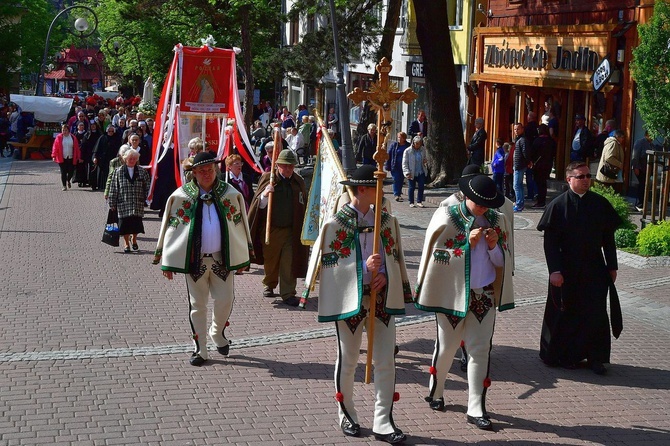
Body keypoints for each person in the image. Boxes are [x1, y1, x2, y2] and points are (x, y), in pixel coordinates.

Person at [303, 165, 411, 444]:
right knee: (349, 360)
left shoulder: (387, 222)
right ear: (362, 189)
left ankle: (384, 421)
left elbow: (396, 258)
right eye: (378, 185)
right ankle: (347, 414)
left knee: (386, 360)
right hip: (350, 303)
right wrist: (364, 268)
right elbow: (329, 266)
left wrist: (385, 275)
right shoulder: (336, 225)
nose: (383, 191)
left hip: (381, 301)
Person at [415, 175, 514, 431]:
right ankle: (436, 391)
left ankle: (476, 406)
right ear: (467, 196)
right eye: (479, 202)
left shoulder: (498, 220)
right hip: (452, 295)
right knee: (446, 347)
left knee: (480, 351)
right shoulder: (446, 217)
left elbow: (504, 263)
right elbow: (436, 258)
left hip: (484, 296)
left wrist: (494, 246)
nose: (482, 207)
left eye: (487, 203)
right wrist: (466, 246)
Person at [153, 151, 253, 367]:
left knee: (225, 300)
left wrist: (243, 257)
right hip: (194, 261)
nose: (206, 174)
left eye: (210, 169)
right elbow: (172, 230)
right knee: (197, 305)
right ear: (194, 173)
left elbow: (240, 226)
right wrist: (167, 260)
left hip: (221, 260)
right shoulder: (181, 197)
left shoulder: (229, 193)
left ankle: (217, 332)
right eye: (201, 171)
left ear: (216, 170)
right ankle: (200, 349)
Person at [537, 161, 622, 375]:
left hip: (594, 268)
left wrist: (612, 266)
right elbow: (550, 244)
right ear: (569, 179)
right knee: (566, 312)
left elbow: (608, 239)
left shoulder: (600, 204)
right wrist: (554, 271)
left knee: (595, 313)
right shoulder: (557, 206)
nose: (586, 180)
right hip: (566, 269)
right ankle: (564, 355)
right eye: (581, 176)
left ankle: (596, 358)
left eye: (587, 176)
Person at [247, 149, 310, 306]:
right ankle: (269, 283)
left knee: (289, 262)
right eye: (284, 166)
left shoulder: (298, 181)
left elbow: (304, 202)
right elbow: (258, 206)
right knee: (271, 261)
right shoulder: (268, 179)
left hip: (291, 230)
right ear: (277, 165)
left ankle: (288, 293)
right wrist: (265, 195)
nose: (288, 169)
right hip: (271, 230)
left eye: (291, 166)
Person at [107, 148, 151, 254]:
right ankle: (126, 243)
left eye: (134, 159)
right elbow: (113, 187)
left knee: (136, 224)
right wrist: (112, 202)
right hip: (123, 202)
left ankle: (134, 239)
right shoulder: (118, 171)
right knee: (124, 224)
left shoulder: (142, 171)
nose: (132, 160)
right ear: (125, 159)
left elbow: (148, 186)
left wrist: (147, 199)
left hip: (137, 202)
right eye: (130, 158)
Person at [529, 124, 557, 208]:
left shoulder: (537, 141)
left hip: (538, 165)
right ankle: (542, 200)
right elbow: (554, 153)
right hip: (548, 165)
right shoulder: (551, 141)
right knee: (543, 184)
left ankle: (540, 201)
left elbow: (532, 153)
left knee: (539, 183)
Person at [51, 124, 81, 191]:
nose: (64, 131)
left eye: (66, 130)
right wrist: (54, 155)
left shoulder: (73, 137)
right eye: (63, 130)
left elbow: (76, 148)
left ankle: (68, 180)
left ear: (68, 130)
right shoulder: (59, 137)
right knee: (63, 172)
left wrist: (78, 157)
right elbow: (55, 147)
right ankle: (64, 186)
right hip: (62, 157)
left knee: (71, 171)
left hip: (71, 157)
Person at [93, 126, 122, 192]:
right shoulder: (102, 138)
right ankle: (102, 186)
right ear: (107, 131)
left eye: (112, 131)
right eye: (109, 131)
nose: (111, 133)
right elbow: (97, 149)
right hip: (103, 159)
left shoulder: (117, 138)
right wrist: (95, 157)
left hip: (113, 158)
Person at [402, 136, 427, 208]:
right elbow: (404, 163)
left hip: (420, 171)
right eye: (416, 143)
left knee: (421, 186)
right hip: (411, 171)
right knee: (411, 187)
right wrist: (407, 172)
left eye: (419, 143)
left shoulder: (423, 150)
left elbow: (424, 158)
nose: (418, 145)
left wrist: (425, 161)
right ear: (413, 143)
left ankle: (419, 201)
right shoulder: (408, 151)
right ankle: (411, 202)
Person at [385, 132, 410, 202]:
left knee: (401, 180)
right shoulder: (394, 145)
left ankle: (399, 193)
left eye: (400, 137)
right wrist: (388, 165)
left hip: (404, 166)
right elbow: (389, 155)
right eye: (398, 137)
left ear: (404, 138)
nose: (399, 139)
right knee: (396, 179)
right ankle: (396, 194)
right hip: (395, 165)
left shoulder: (408, 145)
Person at [631, 131, 653, 210]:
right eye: (651, 135)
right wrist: (636, 167)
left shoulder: (651, 144)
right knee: (642, 185)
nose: (653, 137)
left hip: (648, 169)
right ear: (647, 135)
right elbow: (635, 155)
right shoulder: (640, 142)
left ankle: (643, 204)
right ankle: (640, 204)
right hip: (640, 168)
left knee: (645, 186)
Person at [512, 123, 529, 212]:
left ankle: (519, 204)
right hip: (517, 165)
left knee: (516, 186)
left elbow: (525, 152)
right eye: (515, 129)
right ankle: (520, 203)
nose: (516, 131)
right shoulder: (518, 139)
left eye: (518, 129)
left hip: (519, 165)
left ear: (522, 129)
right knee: (519, 185)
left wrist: (527, 162)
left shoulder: (522, 140)